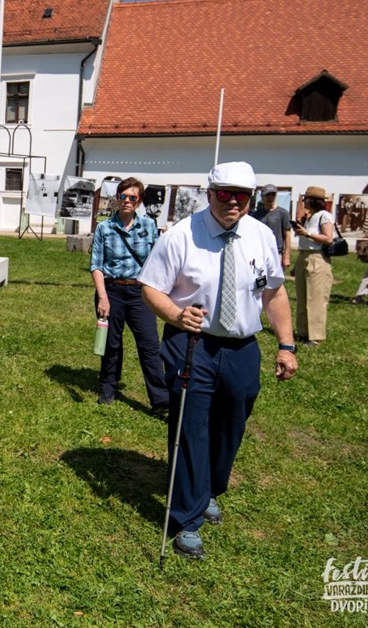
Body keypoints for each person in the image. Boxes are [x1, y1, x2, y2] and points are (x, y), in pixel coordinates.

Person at [139, 161, 298, 560]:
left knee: (234, 418)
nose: (233, 202)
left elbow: (274, 293)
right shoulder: (180, 236)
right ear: (209, 194)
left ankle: (209, 487)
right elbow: (151, 287)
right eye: (224, 194)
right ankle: (187, 518)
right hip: (191, 342)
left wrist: (286, 344)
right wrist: (175, 314)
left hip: (242, 344)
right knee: (190, 426)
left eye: (241, 196)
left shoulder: (261, 235)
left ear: (251, 198)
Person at [89, 177, 168, 414]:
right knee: (111, 344)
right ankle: (108, 388)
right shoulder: (104, 228)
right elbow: (96, 265)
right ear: (117, 199)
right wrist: (103, 297)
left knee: (149, 345)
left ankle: (161, 399)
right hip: (111, 290)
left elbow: (158, 260)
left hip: (139, 293)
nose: (126, 201)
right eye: (122, 196)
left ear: (139, 201)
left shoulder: (149, 227)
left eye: (132, 197)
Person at [292, 187, 335, 346]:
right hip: (304, 256)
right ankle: (303, 332)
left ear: (313, 200)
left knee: (316, 298)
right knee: (302, 297)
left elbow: (328, 238)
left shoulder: (325, 216)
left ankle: (315, 336)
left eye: (306, 198)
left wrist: (307, 233)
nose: (304, 201)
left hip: (317, 257)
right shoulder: (310, 217)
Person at [251, 184, 292, 270]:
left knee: (276, 281)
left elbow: (287, 236)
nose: (270, 197)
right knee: (260, 280)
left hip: (276, 252)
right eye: (267, 195)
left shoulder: (283, 213)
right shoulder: (256, 215)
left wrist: (286, 256)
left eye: (273, 194)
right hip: (259, 252)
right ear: (262, 197)